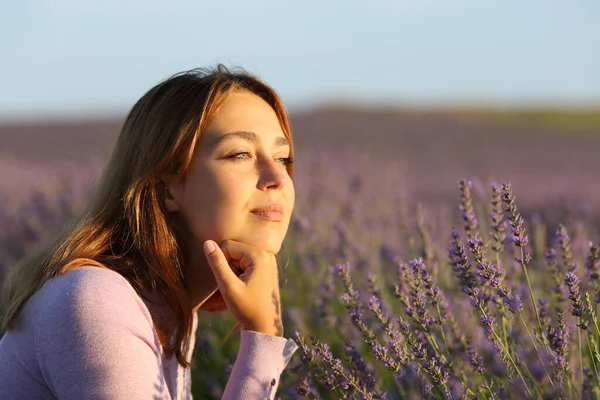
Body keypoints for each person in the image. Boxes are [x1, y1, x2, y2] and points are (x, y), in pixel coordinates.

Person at [0, 64, 299, 399]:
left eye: (283, 157)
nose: (278, 177)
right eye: (240, 153)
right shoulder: (97, 300)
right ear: (167, 188)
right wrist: (263, 340)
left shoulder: (169, 312)